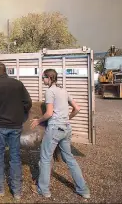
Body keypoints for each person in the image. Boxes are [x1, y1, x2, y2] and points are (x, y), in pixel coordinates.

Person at [30, 68, 90, 199]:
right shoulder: (64, 90)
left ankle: (43, 190)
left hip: (55, 129)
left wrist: (38, 120)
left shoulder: (50, 91)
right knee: (69, 158)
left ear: (49, 78)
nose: (43, 80)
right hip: (67, 128)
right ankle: (83, 190)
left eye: (43, 78)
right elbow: (77, 108)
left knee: (45, 158)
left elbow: (49, 113)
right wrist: (67, 118)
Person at [0, 61, 32, 200]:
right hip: (16, 126)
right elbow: (28, 103)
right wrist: (20, 116)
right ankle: (17, 192)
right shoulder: (18, 84)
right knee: (15, 157)